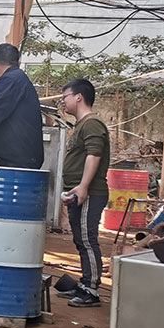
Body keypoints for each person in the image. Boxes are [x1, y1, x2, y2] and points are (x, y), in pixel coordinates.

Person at [57, 78, 109, 308]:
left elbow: (94, 155)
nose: (63, 101)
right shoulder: (81, 125)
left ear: (78, 97)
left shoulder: (92, 124)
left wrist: (84, 186)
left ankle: (92, 289)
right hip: (78, 191)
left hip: (90, 192)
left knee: (87, 239)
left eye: (65, 97)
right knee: (80, 239)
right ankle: (85, 283)